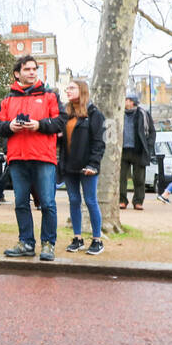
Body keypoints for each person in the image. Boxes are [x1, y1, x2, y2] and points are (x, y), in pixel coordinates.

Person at [0, 55, 64, 260]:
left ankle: (48, 244)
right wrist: (10, 126)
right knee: (20, 203)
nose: (32, 72)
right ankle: (26, 243)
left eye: (34, 69)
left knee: (48, 203)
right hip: (17, 158)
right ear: (18, 73)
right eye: (27, 69)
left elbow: (61, 122)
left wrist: (39, 125)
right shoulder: (7, 99)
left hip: (44, 157)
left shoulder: (50, 96)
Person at [59, 78, 105, 254]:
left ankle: (97, 240)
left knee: (91, 201)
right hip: (69, 166)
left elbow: (99, 142)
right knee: (74, 200)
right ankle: (77, 238)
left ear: (82, 90)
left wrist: (93, 164)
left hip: (87, 166)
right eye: (67, 88)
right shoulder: (66, 113)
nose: (68, 91)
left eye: (72, 88)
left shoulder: (94, 114)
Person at [119, 92, 155, 210]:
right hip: (122, 150)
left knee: (139, 178)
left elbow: (151, 132)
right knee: (121, 177)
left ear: (132, 101)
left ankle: (138, 201)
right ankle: (122, 200)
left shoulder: (143, 114)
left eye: (126, 100)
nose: (124, 102)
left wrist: (149, 147)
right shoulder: (118, 113)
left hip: (138, 150)